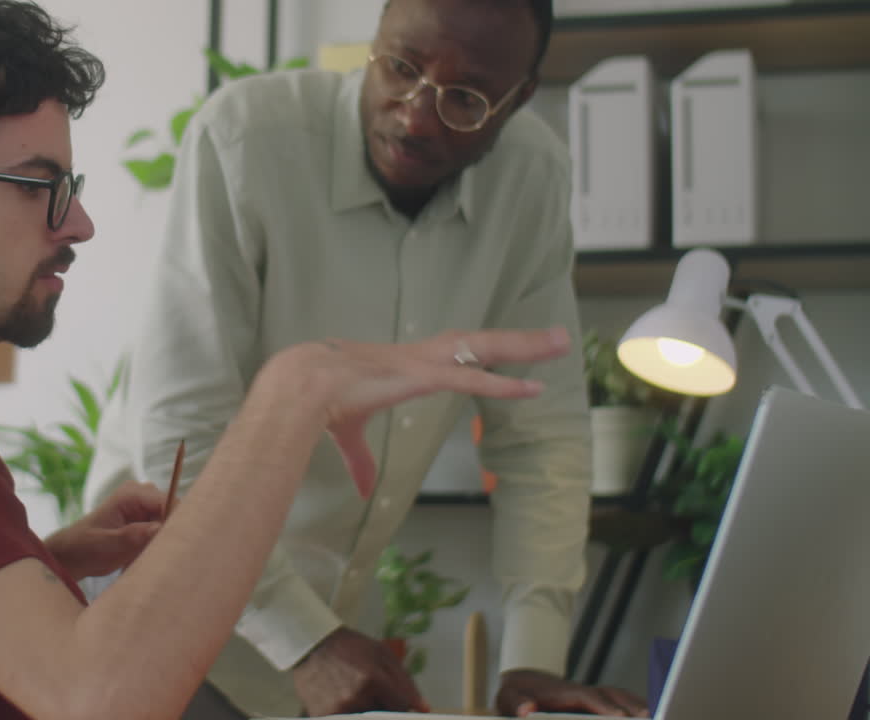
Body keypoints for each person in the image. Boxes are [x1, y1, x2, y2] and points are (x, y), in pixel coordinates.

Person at [0, 0, 573, 718]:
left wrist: (47, 561)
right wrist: (293, 392)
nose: (77, 225)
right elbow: (99, 700)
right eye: (43, 187)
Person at [83, 0, 650, 717]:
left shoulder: (530, 180)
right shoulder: (244, 140)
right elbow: (179, 438)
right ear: (372, 42)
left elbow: (541, 439)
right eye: (400, 68)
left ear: (519, 99)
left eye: (467, 98)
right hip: (159, 597)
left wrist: (533, 661)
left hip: (326, 615)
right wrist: (306, 643)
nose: (416, 115)